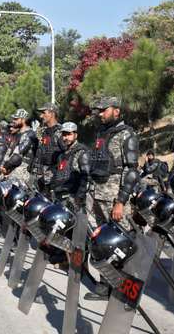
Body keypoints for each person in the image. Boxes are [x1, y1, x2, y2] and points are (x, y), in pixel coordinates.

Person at [84, 96, 140, 301]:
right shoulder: (101, 133)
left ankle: (126, 286)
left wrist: (121, 201)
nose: (100, 113)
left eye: (103, 110)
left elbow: (132, 171)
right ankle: (105, 283)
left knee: (122, 241)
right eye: (98, 110)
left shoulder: (127, 135)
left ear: (116, 110)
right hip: (97, 193)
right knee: (102, 241)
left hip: (115, 195)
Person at [48, 122, 90, 211]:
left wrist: (78, 198)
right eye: (64, 134)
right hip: (59, 197)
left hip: (73, 199)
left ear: (76, 135)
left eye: (69, 134)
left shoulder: (81, 152)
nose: (66, 138)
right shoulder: (62, 154)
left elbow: (86, 177)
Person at [1, 109, 38, 189]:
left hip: (21, 173)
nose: (13, 121)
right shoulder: (18, 134)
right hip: (10, 170)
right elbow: (9, 152)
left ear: (23, 120)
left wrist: (6, 167)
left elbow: (17, 155)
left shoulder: (29, 134)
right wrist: (3, 167)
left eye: (16, 119)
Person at [35, 102, 63, 194]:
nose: (41, 116)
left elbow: (66, 157)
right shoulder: (43, 132)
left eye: (44, 112)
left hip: (53, 181)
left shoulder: (60, 133)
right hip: (40, 179)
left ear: (52, 113)